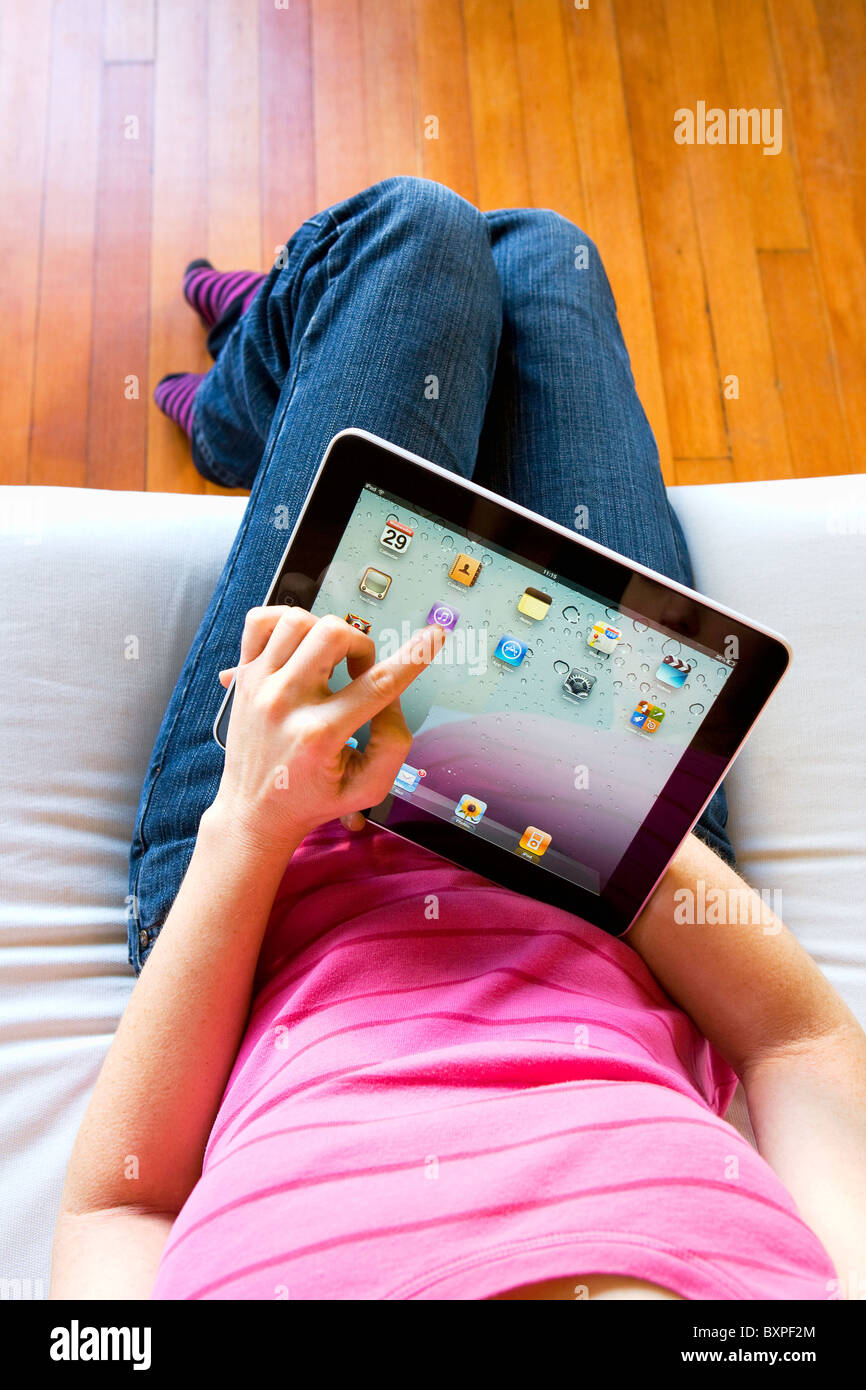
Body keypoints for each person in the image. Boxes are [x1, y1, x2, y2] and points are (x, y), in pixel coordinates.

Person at [50, 177, 865, 1301]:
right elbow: (797, 1047)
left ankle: (245, 395)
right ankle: (270, 358)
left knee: (414, 234)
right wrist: (570, 783)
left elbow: (123, 1202)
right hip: (615, 870)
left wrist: (250, 814)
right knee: (545, 256)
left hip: (271, 865)